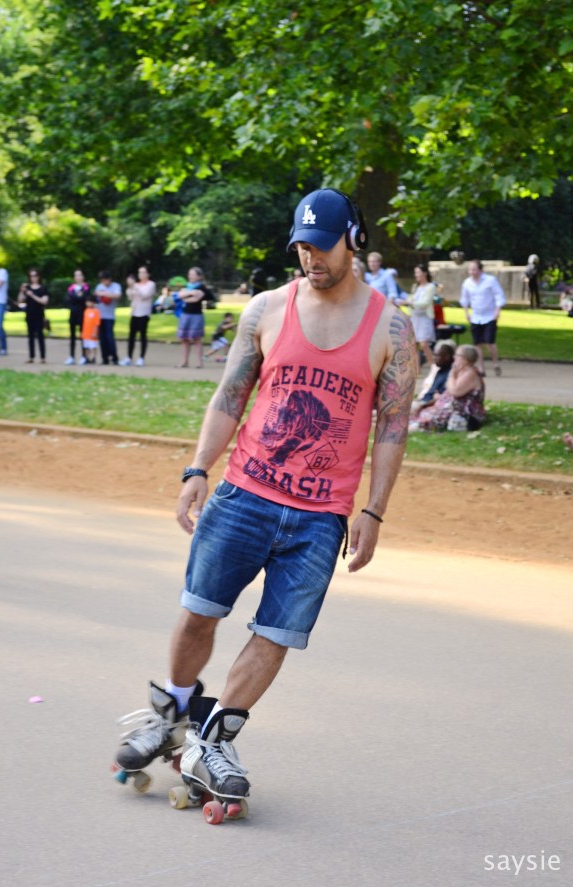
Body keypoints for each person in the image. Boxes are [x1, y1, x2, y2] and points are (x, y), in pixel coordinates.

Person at [112, 188, 417, 814]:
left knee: (275, 633)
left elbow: (393, 426)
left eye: (322, 246)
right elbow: (229, 396)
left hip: (321, 515)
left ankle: (213, 740)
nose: (311, 259)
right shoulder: (265, 309)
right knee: (199, 612)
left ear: (353, 240)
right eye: (301, 246)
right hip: (244, 493)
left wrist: (375, 509)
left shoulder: (391, 326)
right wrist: (197, 468)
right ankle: (170, 711)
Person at [413, 344, 485, 432]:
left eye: (457, 355)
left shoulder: (470, 373)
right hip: (452, 408)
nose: (454, 357)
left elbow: (454, 391)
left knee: (426, 418)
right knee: (419, 412)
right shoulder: (462, 371)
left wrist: (452, 374)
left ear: (466, 358)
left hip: (464, 413)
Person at [459, 259, 506, 376]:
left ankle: (495, 363)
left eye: (474, 269)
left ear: (480, 270)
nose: (472, 272)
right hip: (475, 316)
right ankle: (481, 368)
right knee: (477, 343)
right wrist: (466, 313)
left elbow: (499, 295)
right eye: (470, 270)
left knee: (490, 342)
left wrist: (497, 310)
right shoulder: (467, 283)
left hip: (489, 316)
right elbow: (464, 299)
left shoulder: (490, 281)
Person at [120, 266, 156, 367]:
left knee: (143, 335)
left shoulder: (151, 284)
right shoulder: (136, 285)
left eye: (143, 273)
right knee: (131, 336)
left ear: (148, 274)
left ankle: (141, 357)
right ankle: (129, 357)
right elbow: (130, 296)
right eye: (140, 273)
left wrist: (135, 287)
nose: (141, 275)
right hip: (135, 313)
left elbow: (145, 295)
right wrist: (130, 287)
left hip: (144, 313)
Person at [410, 340, 455, 418]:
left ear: (447, 356)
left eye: (437, 355)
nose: (434, 358)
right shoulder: (440, 370)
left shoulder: (450, 374)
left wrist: (421, 406)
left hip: (430, 406)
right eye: (434, 355)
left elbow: (442, 398)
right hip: (423, 402)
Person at [176, 267, 208, 368]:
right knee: (185, 339)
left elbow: (195, 299)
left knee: (196, 339)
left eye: (193, 274)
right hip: (185, 315)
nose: (191, 276)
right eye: (190, 274)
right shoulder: (187, 286)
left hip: (196, 315)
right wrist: (190, 293)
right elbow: (180, 296)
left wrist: (186, 295)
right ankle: (185, 361)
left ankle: (199, 363)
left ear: (199, 276)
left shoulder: (202, 287)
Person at [406, 263, 436, 366]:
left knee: (424, 344)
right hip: (415, 318)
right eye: (415, 273)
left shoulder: (431, 287)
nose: (416, 275)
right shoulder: (415, 287)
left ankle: (433, 365)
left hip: (424, 318)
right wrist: (407, 302)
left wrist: (410, 303)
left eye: (418, 272)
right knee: (414, 344)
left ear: (425, 273)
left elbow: (425, 303)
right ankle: (416, 369)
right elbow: (411, 298)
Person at [17, 268, 49, 364]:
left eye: (35, 275)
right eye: (31, 276)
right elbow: (20, 300)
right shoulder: (27, 288)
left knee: (40, 335)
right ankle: (31, 356)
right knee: (30, 336)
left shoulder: (42, 289)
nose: (33, 278)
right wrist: (22, 291)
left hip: (39, 315)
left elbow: (44, 301)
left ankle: (42, 357)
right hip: (29, 314)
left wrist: (32, 295)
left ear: (38, 277)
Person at [95, 271, 121, 365]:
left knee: (109, 337)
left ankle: (114, 357)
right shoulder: (99, 286)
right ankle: (104, 358)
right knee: (102, 338)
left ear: (109, 279)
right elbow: (96, 296)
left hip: (110, 316)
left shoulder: (116, 286)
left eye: (105, 280)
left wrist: (104, 294)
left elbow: (117, 295)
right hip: (100, 316)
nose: (104, 282)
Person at [65, 270, 89, 366]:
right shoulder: (71, 288)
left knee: (83, 335)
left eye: (79, 275)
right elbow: (68, 298)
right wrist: (77, 296)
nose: (78, 277)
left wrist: (76, 296)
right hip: (73, 313)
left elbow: (84, 297)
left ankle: (84, 356)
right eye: (76, 275)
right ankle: (71, 356)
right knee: (72, 336)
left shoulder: (86, 287)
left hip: (82, 314)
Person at [81, 295, 101, 364]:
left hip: (92, 333)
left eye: (89, 302)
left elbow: (97, 323)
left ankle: (93, 358)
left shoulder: (96, 311)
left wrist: (95, 332)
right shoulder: (86, 311)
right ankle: (87, 358)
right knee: (86, 347)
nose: (88, 304)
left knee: (92, 347)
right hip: (86, 333)